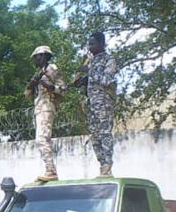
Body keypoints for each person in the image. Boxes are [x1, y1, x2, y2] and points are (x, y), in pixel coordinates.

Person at [73, 31, 118, 177]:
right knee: (95, 137)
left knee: (105, 135)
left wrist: (90, 71)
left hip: (104, 104)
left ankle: (107, 166)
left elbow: (105, 80)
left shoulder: (109, 60)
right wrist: (83, 81)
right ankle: (102, 165)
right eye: (88, 44)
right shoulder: (91, 61)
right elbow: (93, 82)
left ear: (101, 44)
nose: (89, 47)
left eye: (92, 44)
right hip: (91, 104)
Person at [26, 45, 66, 182]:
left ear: (43, 56)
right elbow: (28, 95)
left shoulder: (51, 69)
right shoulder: (38, 74)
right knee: (42, 139)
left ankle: (50, 170)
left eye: (36, 57)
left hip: (47, 106)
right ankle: (49, 169)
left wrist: (50, 87)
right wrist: (32, 84)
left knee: (41, 139)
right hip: (39, 107)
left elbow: (63, 89)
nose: (34, 60)